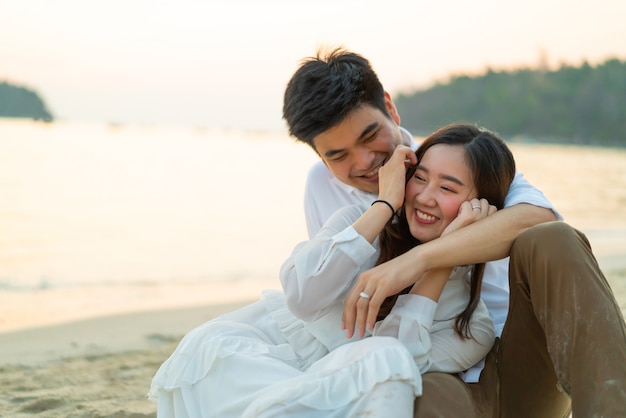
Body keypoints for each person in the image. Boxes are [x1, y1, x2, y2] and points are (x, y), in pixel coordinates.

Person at [282, 48, 626, 417]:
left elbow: (538, 220)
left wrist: (423, 258)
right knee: (414, 390)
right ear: (320, 156)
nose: (364, 162)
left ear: (389, 108)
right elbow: (330, 309)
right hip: (428, 367)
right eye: (338, 155)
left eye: (370, 136)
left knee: (553, 238)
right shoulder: (323, 189)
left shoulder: (454, 158)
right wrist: (385, 205)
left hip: (514, 359)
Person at [147, 123, 520, 417]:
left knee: (386, 359)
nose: (424, 196)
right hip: (240, 364)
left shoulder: (472, 328)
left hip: (311, 396)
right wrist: (384, 204)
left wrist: (441, 260)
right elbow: (303, 297)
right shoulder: (362, 221)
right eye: (419, 178)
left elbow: (394, 362)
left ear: (482, 208)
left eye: (448, 188)